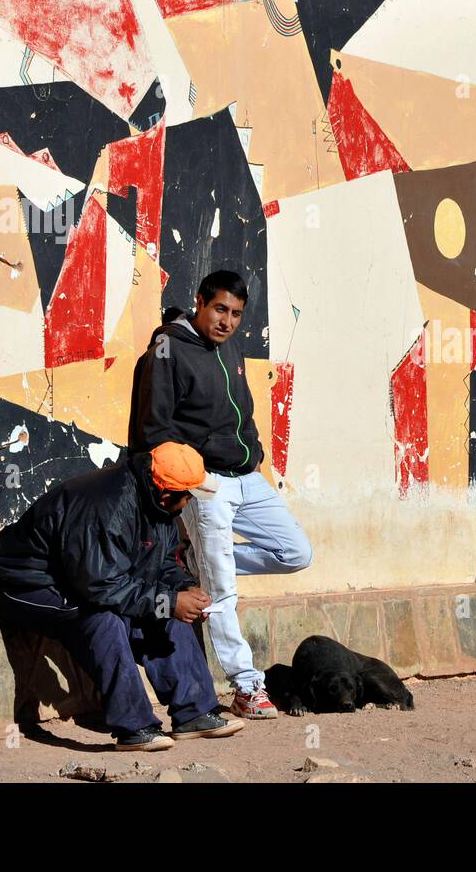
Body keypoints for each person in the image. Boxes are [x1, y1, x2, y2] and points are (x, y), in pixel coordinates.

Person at [130, 270, 313, 720]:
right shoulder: (167, 349)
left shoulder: (229, 347)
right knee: (223, 589)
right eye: (219, 310)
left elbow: (242, 408)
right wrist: (188, 481)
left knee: (295, 553)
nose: (227, 321)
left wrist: (253, 451)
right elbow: (155, 428)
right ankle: (247, 687)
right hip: (205, 482)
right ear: (199, 302)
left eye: (235, 314)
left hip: (247, 475)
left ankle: (200, 565)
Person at [0, 442, 244, 751]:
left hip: (86, 578)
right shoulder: (107, 506)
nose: (189, 502)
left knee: (167, 613)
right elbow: (99, 587)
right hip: (25, 583)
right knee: (103, 620)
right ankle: (135, 728)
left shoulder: (157, 504)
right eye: (187, 496)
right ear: (166, 494)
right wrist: (170, 602)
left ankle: (195, 713)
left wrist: (182, 589)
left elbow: (161, 563)